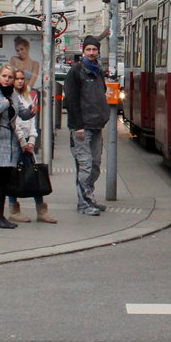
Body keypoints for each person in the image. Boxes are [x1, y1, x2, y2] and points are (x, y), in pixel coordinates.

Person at [0, 65, 38, 229]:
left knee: (4, 182)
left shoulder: (12, 94)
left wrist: (31, 111)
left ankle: (0, 215)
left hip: (10, 143)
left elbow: (22, 113)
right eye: (4, 76)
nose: (7, 80)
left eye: (10, 77)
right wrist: (1, 106)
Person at [64, 35, 111, 216]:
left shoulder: (98, 71)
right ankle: (84, 203)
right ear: (83, 51)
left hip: (96, 125)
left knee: (95, 164)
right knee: (85, 165)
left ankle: (89, 197)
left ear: (98, 51)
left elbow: (101, 92)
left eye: (94, 50)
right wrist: (78, 125)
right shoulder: (76, 71)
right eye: (88, 50)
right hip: (82, 127)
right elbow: (71, 100)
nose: (91, 53)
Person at [6, 69, 56, 224]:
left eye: (22, 78)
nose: (20, 81)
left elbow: (32, 120)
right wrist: (23, 142)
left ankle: (41, 211)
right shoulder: (10, 97)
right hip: (16, 142)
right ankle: (14, 210)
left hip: (28, 142)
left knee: (34, 174)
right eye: (17, 78)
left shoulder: (28, 96)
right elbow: (14, 122)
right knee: (14, 176)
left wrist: (32, 141)